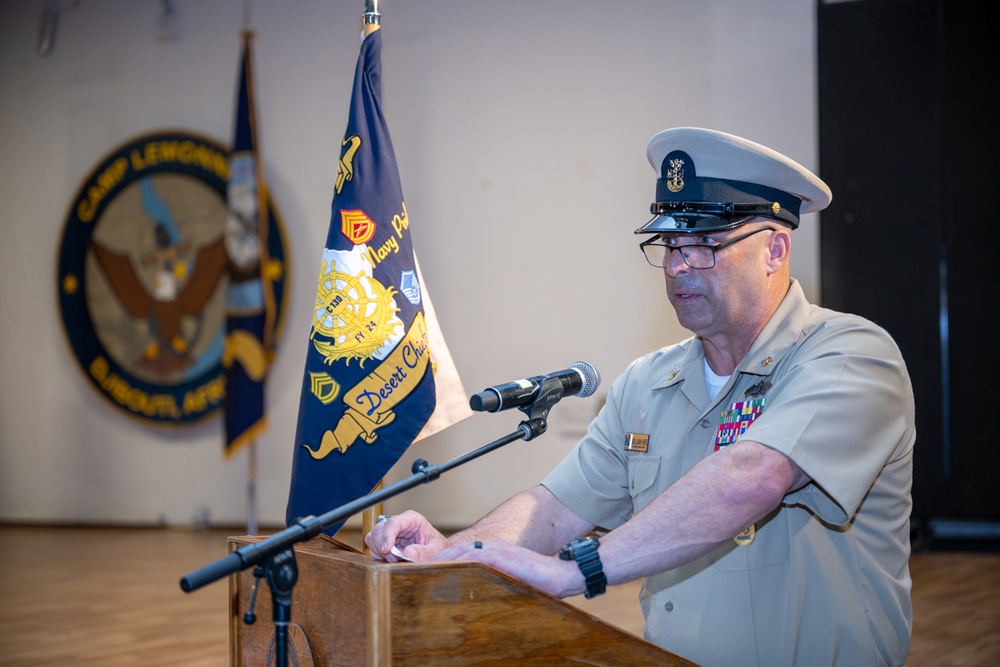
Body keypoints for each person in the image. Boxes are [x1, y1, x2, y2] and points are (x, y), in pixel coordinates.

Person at [365, 127, 915, 666]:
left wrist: (576, 571)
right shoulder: (648, 383)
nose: (678, 266)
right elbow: (556, 509)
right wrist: (457, 557)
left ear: (775, 249)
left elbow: (754, 475)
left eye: (704, 244)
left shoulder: (850, 355)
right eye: (670, 243)